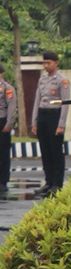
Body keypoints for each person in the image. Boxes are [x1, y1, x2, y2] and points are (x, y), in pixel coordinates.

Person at [32, 49, 70, 193]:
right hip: (43, 115)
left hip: (55, 115)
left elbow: (66, 103)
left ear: (56, 63)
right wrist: (34, 122)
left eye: (48, 63)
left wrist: (61, 125)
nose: (46, 65)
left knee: (56, 151)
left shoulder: (62, 80)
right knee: (45, 150)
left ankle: (57, 184)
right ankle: (48, 182)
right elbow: (37, 100)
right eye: (44, 63)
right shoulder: (42, 79)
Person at [0, 62, 15, 194]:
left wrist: (9, 124)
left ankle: (3, 181)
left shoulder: (7, 88)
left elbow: (11, 107)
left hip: (2, 121)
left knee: (3, 153)